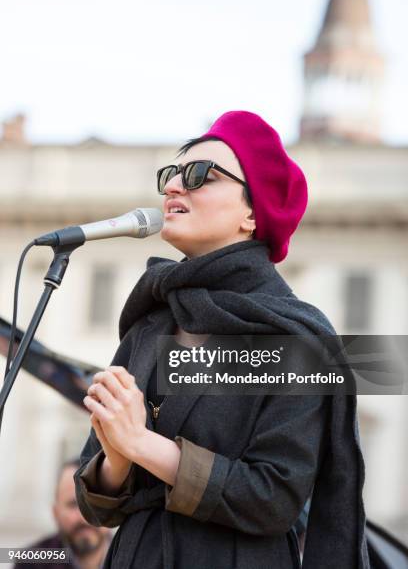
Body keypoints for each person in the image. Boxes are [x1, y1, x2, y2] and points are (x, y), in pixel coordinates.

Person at [74, 110, 371, 568]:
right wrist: (115, 455)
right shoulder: (151, 321)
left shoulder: (293, 337)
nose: (174, 187)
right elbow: (97, 504)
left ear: (252, 213)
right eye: (171, 175)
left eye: (198, 175)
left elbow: (273, 497)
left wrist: (141, 445)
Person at [14, 458, 111, 569]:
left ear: (112, 510)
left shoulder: (133, 559)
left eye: (94, 504)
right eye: (73, 505)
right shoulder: (30, 563)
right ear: (56, 513)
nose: (85, 518)